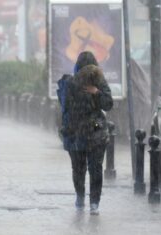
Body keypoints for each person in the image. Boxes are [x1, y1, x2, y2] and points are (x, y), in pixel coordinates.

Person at [58, 51, 113, 215]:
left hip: (92, 131)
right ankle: (84, 199)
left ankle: (90, 201)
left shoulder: (98, 83)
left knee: (88, 168)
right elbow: (66, 106)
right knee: (83, 168)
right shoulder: (70, 84)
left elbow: (108, 103)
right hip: (80, 132)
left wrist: (96, 92)